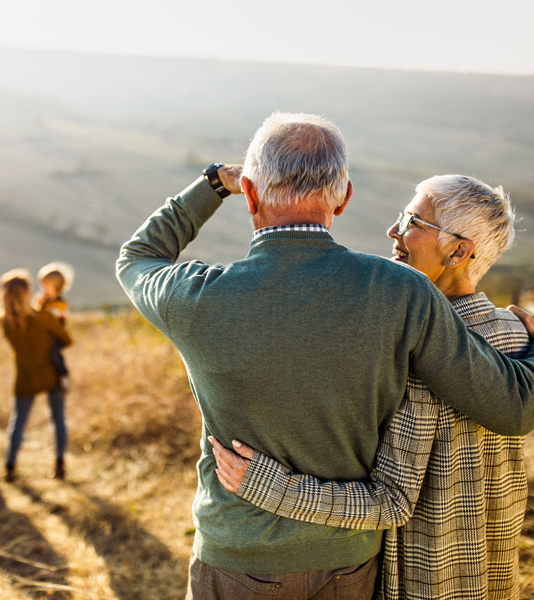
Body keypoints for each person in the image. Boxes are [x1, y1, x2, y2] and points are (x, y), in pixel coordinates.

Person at [116, 112, 534, 600]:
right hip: (351, 566)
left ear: (250, 195)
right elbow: (513, 407)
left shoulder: (194, 297)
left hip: (236, 563)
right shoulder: (401, 291)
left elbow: (138, 257)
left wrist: (213, 184)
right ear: (345, 196)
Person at [210, 174, 531, 599]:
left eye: (414, 221)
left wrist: (271, 486)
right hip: (495, 576)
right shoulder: (517, 334)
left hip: (424, 584)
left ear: (458, 251)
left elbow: (391, 502)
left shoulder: (413, 356)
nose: (393, 230)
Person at [0, 268, 72, 482]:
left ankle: (9, 467)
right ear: (26, 293)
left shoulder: (3, 320)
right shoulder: (44, 317)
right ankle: (60, 465)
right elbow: (66, 340)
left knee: (18, 422)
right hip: (51, 374)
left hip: (25, 377)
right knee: (58, 420)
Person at [35, 262, 74, 391]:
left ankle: (63, 374)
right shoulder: (44, 301)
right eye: (42, 285)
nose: (43, 288)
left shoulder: (60, 303)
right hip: (43, 335)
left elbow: (57, 318)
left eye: (46, 285)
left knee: (54, 352)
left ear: (56, 287)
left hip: (56, 335)